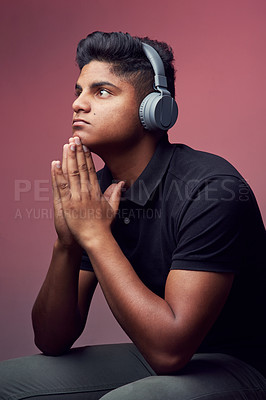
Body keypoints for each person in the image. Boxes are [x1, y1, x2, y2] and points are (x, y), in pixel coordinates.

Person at [0, 31, 265, 400]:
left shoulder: (211, 189)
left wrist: (95, 235)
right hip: (159, 355)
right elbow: (51, 339)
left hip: (240, 364)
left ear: (154, 108)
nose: (79, 104)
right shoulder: (96, 194)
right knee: (6, 382)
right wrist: (67, 244)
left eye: (101, 91)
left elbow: (170, 351)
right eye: (78, 91)